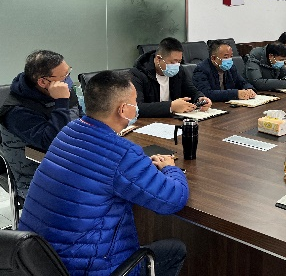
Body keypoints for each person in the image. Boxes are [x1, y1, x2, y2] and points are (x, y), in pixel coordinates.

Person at [18, 70, 188, 276]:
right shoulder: (122, 153)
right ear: (123, 110)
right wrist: (170, 168)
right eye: (134, 102)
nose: (136, 107)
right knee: (175, 250)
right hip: (84, 268)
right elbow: (173, 200)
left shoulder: (68, 131)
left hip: (36, 260)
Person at [0, 50, 80, 198]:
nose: (68, 80)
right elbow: (53, 143)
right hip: (36, 178)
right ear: (43, 82)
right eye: (64, 76)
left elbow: (81, 120)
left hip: (68, 165)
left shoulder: (62, 91)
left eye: (68, 73)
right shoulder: (17, 111)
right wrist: (61, 102)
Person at [130, 37, 211, 118]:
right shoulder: (137, 74)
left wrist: (200, 98)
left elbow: (191, 90)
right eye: (172, 62)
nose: (176, 65)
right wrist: (171, 106)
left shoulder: (179, 71)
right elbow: (137, 108)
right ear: (158, 59)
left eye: (179, 61)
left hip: (174, 119)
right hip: (149, 122)